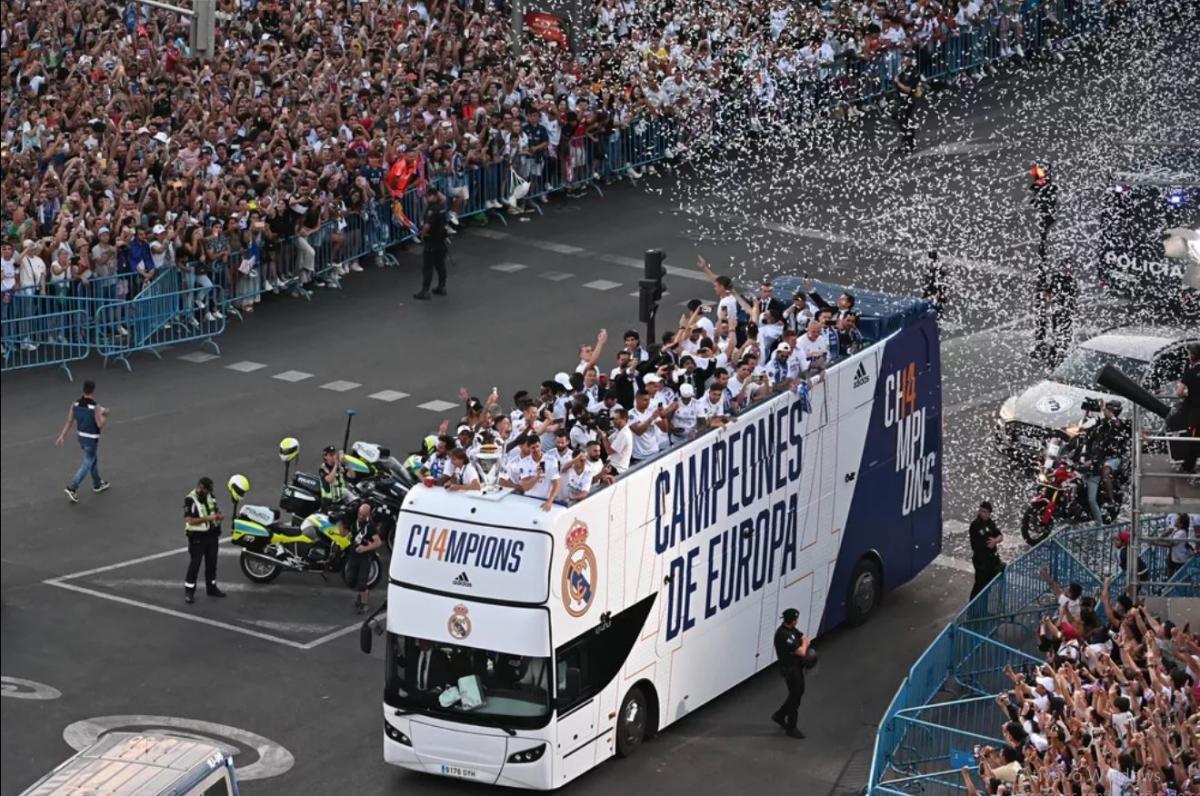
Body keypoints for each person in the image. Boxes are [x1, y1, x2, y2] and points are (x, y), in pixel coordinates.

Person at [55, 380, 111, 502]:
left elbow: (69, 421)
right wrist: (105, 415)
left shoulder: (75, 404)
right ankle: (72, 487)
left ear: (83, 390)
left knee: (93, 460)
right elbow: (100, 424)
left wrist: (62, 436)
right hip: (91, 439)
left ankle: (97, 483)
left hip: (81, 437)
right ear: (93, 390)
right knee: (87, 463)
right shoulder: (95, 406)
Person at [1080, 401, 1129, 524]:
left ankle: (1111, 499)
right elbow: (1088, 426)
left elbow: (1117, 424)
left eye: (1107, 410)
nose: (1104, 411)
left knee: (1105, 470)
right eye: (1105, 409)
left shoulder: (1119, 424)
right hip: (1098, 458)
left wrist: (1108, 413)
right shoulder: (1101, 423)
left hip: (1113, 458)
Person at [183, 477, 226, 604]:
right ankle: (189, 591)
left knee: (212, 563)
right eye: (206, 490)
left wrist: (218, 516)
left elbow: (215, 510)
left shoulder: (210, 496)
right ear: (200, 487)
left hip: (212, 535)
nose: (207, 493)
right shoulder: (190, 499)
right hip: (197, 537)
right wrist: (208, 518)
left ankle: (211, 587)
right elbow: (190, 520)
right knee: (195, 564)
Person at [771, 607, 812, 739]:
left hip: (796, 667)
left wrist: (803, 642)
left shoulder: (791, 630)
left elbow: (802, 637)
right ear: (793, 621)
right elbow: (801, 651)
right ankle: (791, 727)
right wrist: (805, 644)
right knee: (795, 697)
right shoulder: (783, 635)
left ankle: (780, 715)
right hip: (790, 669)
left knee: (797, 693)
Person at [345, 503, 383, 614]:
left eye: (363, 515)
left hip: (365, 557)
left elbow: (378, 542)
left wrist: (365, 548)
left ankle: (364, 604)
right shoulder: (353, 521)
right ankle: (361, 594)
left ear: (367, 515)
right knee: (350, 579)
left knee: (362, 581)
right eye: (359, 513)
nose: (360, 516)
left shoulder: (370, 526)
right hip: (353, 554)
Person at [413, 186, 449, 300]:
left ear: (433, 196)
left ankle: (425, 291)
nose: (425, 199)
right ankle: (441, 287)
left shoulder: (432, 209)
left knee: (427, 267)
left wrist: (422, 234)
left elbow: (427, 225)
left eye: (427, 196)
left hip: (432, 241)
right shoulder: (442, 206)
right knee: (440, 265)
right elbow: (443, 198)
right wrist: (435, 191)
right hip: (441, 240)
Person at [969, 501, 1004, 599]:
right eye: (982, 511)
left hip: (992, 560)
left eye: (986, 512)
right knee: (980, 586)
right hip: (981, 561)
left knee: (987, 586)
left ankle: (983, 609)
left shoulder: (990, 523)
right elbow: (977, 545)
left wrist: (995, 541)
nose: (983, 514)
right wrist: (988, 544)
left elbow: (1000, 536)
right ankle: (973, 610)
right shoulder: (975, 525)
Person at [1177, 343, 1200, 474]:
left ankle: (1188, 466)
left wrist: (1188, 394)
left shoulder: (1190, 373)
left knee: (1193, 439)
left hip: (1195, 413)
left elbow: (1179, 392)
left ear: (1193, 356)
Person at [892, 55, 923, 152]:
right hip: (902, 99)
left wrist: (898, 83)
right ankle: (908, 143)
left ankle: (909, 143)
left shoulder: (912, 73)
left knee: (904, 121)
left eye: (904, 59)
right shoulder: (904, 70)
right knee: (902, 120)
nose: (902, 61)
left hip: (907, 100)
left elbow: (908, 89)